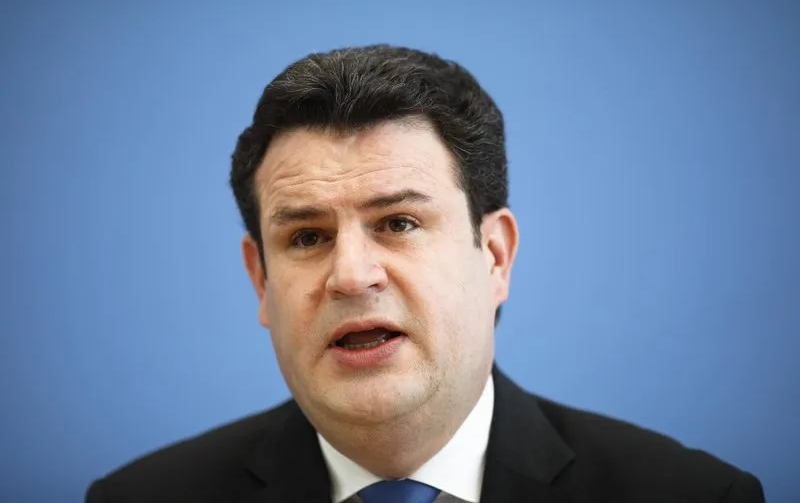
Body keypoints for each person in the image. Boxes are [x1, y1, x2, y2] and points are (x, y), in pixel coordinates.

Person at [85, 44, 764, 503]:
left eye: (399, 223)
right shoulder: (140, 498)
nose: (351, 276)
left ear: (494, 256)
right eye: (308, 237)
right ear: (261, 281)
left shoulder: (693, 495)